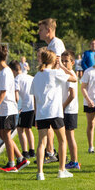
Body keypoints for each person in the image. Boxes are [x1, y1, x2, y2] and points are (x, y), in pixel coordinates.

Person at [30, 49, 77, 180]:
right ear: (53, 60)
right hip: (55, 112)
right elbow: (74, 78)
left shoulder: (37, 76)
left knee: (41, 143)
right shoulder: (55, 73)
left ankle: (40, 173)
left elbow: (34, 97)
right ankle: (61, 170)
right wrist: (62, 66)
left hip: (41, 113)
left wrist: (35, 114)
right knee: (62, 140)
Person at [0, 46, 28, 172]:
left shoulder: (5, 72)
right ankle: (21, 159)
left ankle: (11, 164)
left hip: (8, 109)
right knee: (3, 135)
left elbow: (3, 93)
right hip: (7, 109)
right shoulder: (6, 71)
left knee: (6, 135)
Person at [37, 19, 64, 163]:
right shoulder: (51, 45)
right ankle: (51, 152)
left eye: (41, 30)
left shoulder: (56, 44)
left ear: (48, 30)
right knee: (49, 122)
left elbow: (56, 64)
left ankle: (52, 153)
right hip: (52, 86)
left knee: (54, 123)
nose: (39, 33)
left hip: (57, 88)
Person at [8, 60, 35, 160]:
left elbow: (16, 97)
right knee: (28, 129)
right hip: (34, 105)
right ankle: (32, 151)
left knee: (20, 129)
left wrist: (15, 108)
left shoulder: (16, 80)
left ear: (12, 71)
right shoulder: (29, 77)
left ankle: (25, 152)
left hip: (27, 106)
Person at [60, 51, 80, 169]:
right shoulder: (66, 74)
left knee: (70, 136)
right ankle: (72, 160)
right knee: (67, 136)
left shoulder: (71, 74)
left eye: (66, 61)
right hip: (66, 109)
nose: (63, 63)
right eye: (62, 61)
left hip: (69, 110)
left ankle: (74, 161)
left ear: (72, 62)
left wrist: (62, 106)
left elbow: (72, 95)